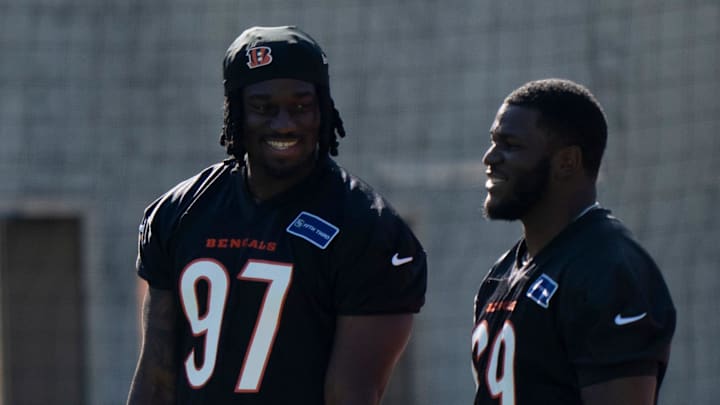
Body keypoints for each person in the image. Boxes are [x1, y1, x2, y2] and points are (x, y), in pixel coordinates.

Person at [127, 25, 427, 405]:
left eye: (300, 106)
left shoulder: (368, 228)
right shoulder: (179, 212)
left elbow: (350, 395)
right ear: (235, 110)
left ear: (323, 108)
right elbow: (156, 378)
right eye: (263, 108)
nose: (284, 124)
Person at [472, 78, 676, 405]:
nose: (490, 158)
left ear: (567, 161)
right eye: (494, 142)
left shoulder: (609, 269)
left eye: (510, 145)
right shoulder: (502, 273)